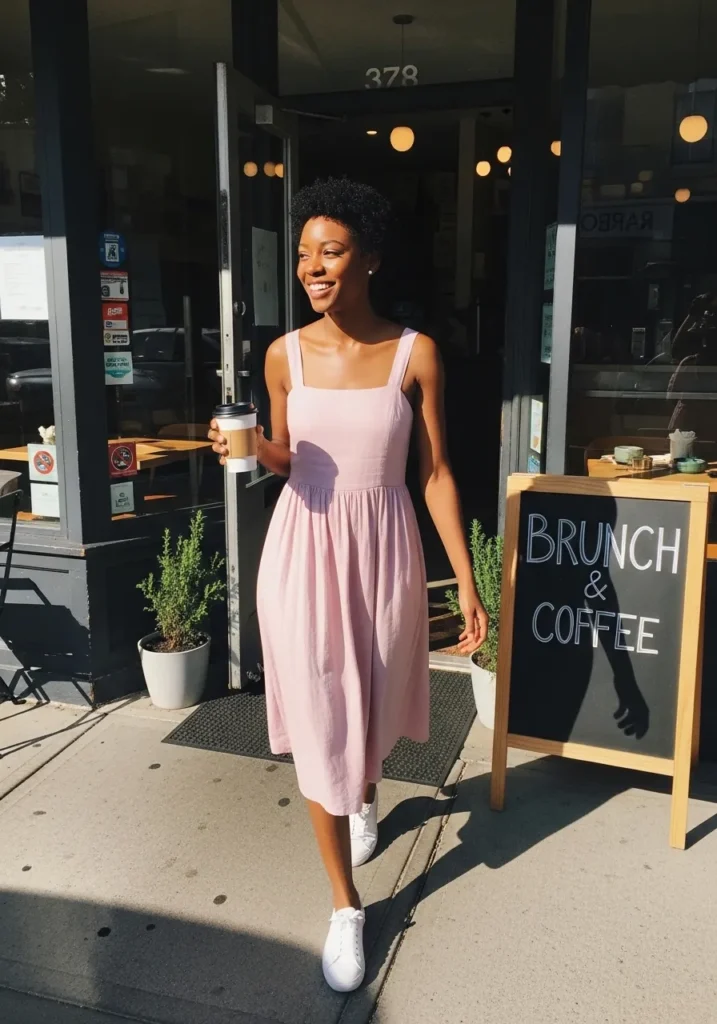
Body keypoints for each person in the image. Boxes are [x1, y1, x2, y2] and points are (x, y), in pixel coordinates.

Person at [208, 178, 488, 992]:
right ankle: (344, 906)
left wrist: (464, 581)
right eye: (304, 255)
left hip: (385, 553)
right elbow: (287, 456)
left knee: (369, 702)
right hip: (303, 553)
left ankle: (363, 795)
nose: (312, 268)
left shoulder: (414, 353)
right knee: (320, 713)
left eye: (330, 252)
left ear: (368, 258)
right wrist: (249, 450)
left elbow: (434, 473)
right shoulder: (283, 355)